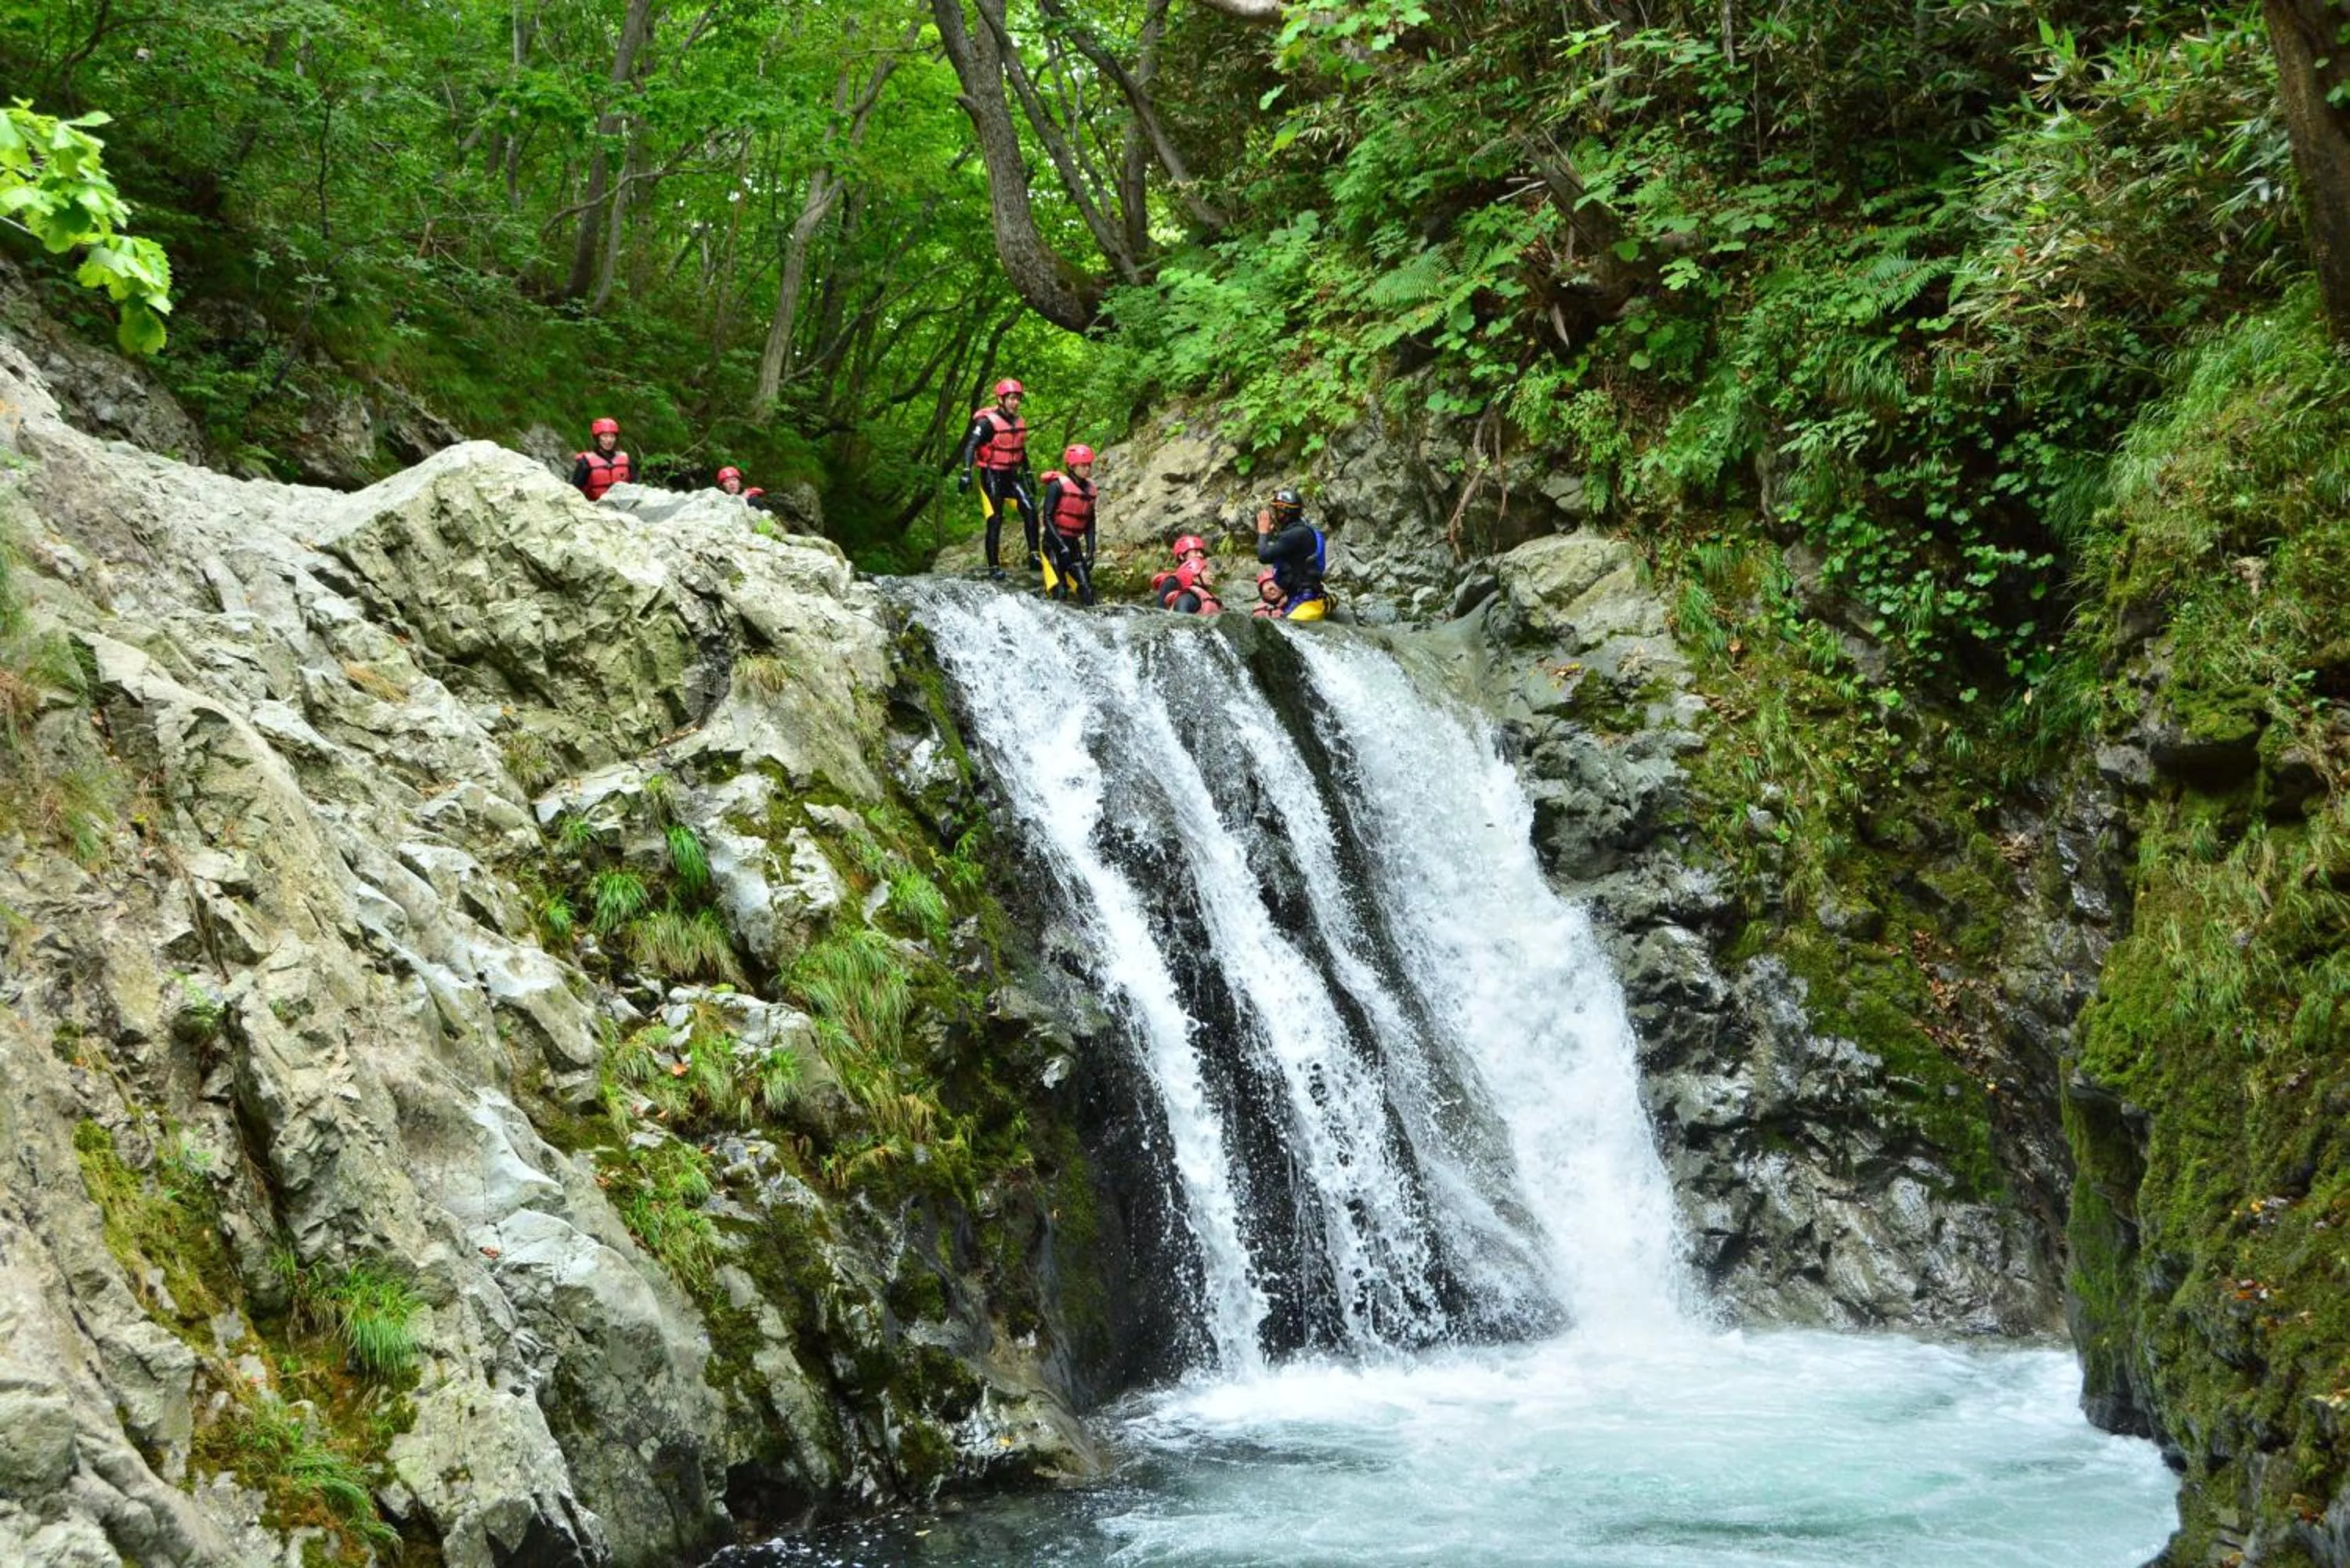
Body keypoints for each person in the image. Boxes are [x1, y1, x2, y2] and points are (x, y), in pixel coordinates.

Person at [956, 378, 1038, 580]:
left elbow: (1019, 448)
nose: (1015, 402)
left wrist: (1028, 473)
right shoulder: (987, 423)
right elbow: (970, 446)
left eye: (1018, 398)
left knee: (1030, 508)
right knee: (996, 519)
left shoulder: (1018, 422)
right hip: (992, 475)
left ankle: (1034, 555)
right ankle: (993, 566)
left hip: (1012, 475)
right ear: (1001, 400)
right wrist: (966, 471)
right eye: (1011, 398)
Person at [1037, 445, 1098, 606]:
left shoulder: (1090, 490)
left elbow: (1090, 523)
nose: (1087, 469)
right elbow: (1047, 518)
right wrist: (1060, 545)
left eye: (1089, 465)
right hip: (1053, 544)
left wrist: (1091, 550)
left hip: (1073, 546)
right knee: (1061, 592)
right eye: (1083, 465)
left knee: (1088, 592)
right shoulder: (1056, 486)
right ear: (1072, 466)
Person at [1254, 486, 1328, 620]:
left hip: (1304, 598)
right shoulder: (1301, 532)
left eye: (1277, 510)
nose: (1275, 514)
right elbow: (1282, 552)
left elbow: (1263, 556)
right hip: (1306, 594)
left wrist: (1263, 532)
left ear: (1284, 511)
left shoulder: (1294, 535)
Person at [1151, 536, 1222, 615]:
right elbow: (1160, 611)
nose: (1200, 555)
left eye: (1201, 552)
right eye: (1196, 552)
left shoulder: (1202, 582)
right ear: (1182, 556)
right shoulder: (1171, 582)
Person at [570, 417, 632, 500]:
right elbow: (575, 490)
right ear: (597, 438)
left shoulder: (625, 459)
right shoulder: (586, 462)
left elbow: (634, 486)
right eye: (605, 436)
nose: (609, 440)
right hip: (594, 506)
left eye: (612, 436)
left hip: (622, 506)